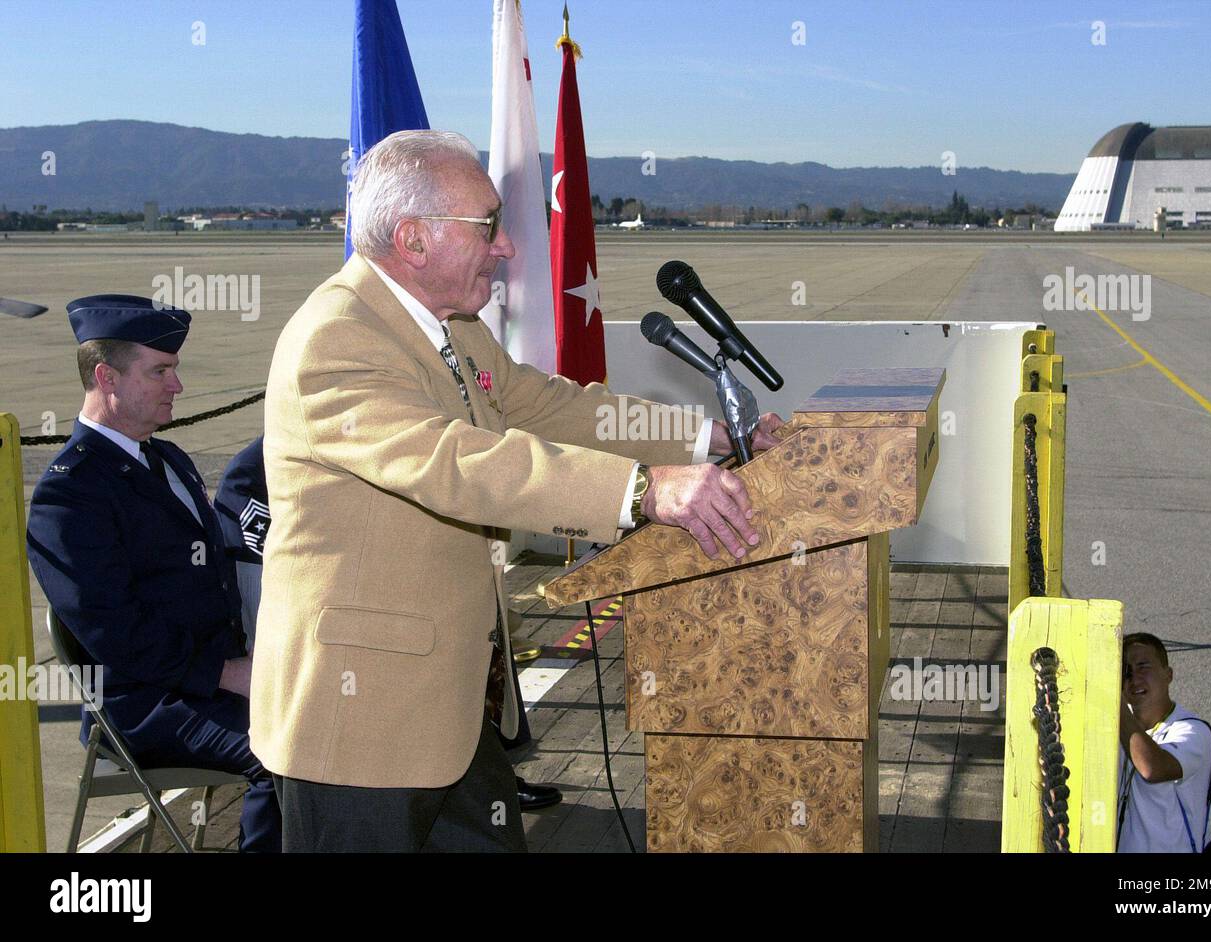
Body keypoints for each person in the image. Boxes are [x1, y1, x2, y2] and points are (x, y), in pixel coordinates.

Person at [252, 129, 783, 852]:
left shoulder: (454, 328)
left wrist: (701, 439)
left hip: (446, 701)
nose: (505, 247)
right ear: (413, 239)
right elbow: (456, 462)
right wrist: (642, 492)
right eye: (488, 226)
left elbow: (546, 405)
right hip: (360, 721)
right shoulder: (337, 338)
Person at [26, 295, 281, 852]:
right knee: (284, 757)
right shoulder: (68, 496)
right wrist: (225, 672)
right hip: (147, 703)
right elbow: (114, 631)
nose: (177, 386)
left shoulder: (168, 460)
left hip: (210, 682)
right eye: (160, 371)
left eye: (175, 369)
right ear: (105, 377)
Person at [215, 435, 563, 812]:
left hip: (375, 600)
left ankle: (488, 781)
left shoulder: (374, 432)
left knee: (468, 632)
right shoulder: (259, 467)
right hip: (310, 625)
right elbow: (271, 574)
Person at [1117, 632, 1211, 853]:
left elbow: (1152, 769)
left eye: (1143, 667)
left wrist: (1116, 704)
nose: (1134, 679)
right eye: (1125, 671)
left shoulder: (1193, 731)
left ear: (1168, 675)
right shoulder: (1116, 730)